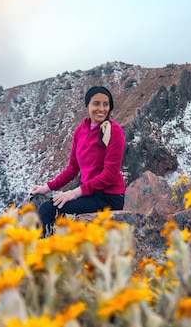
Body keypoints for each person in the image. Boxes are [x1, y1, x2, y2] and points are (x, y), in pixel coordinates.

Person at [29, 86, 126, 235]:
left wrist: (75, 193)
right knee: (40, 205)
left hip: (109, 197)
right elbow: (72, 169)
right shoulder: (80, 131)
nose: (101, 108)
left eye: (106, 104)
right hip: (89, 194)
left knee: (48, 209)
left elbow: (110, 174)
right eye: (96, 103)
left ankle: (44, 253)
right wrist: (47, 188)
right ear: (87, 105)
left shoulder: (115, 131)